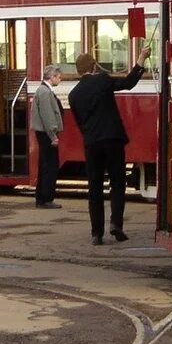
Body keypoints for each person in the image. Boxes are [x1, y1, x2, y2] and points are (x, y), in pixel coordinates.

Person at [68, 42, 152, 245]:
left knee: (94, 188)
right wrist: (141, 58)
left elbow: (80, 123)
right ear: (94, 67)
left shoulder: (74, 95)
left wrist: (90, 137)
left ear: (79, 72)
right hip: (113, 140)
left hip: (92, 143)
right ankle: (116, 224)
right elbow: (129, 83)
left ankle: (96, 233)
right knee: (117, 183)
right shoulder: (103, 81)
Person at [30, 64, 64, 209]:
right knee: (50, 166)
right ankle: (46, 198)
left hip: (44, 134)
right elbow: (48, 116)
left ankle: (42, 198)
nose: (60, 80)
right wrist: (53, 135)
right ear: (52, 77)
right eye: (59, 77)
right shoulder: (45, 92)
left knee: (45, 165)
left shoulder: (43, 90)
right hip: (46, 134)